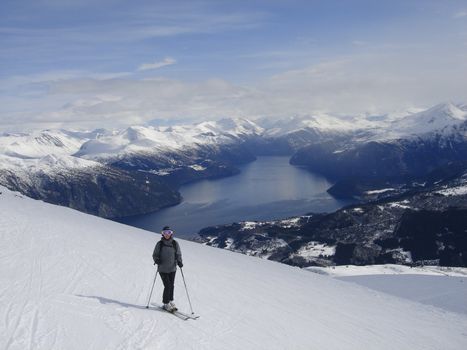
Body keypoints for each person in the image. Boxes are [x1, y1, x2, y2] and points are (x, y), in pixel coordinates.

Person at [152, 226, 183, 312]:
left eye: (169, 232)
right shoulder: (160, 244)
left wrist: (179, 261)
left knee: (171, 285)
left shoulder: (175, 243)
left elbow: (178, 254)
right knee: (167, 286)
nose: (167, 234)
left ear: (171, 233)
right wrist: (157, 260)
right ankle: (165, 303)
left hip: (172, 268)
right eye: (165, 232)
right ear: (162, 233)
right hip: (162, 269)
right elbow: (155, 254)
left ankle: (170, 300)